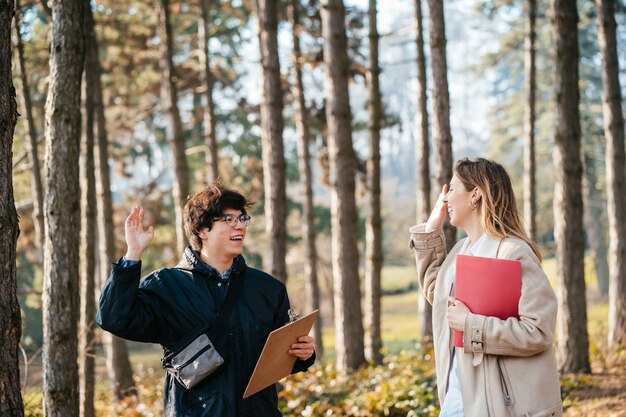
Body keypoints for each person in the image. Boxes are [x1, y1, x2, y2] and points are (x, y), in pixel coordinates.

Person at [97, 181, 316, 417]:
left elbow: (280, 355)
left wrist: (303, 354)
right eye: (229, 220)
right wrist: (133, 254)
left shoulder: (267, 288)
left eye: (243, 219)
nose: (240, 226)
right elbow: (113, 318)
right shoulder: (167, 285)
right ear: (202, 230)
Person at [409, 158, 562, 417]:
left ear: (475, 195)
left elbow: (538, 330)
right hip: (457, 397)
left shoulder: (513, 253)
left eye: (453, 189)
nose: (444, 200)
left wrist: (470, 325)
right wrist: (430, 232)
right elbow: (439, 295)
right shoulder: (462, 250)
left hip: (499, 405)